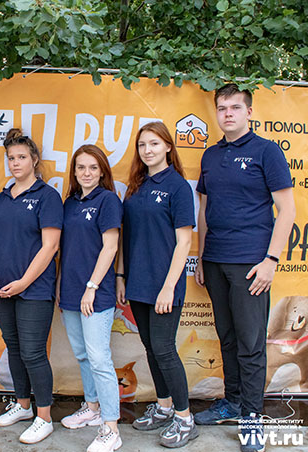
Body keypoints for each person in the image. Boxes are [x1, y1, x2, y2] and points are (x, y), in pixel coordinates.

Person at [194, 84, 295, 452]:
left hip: (252, 264)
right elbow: (204, 210)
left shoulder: (267, 151)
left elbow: (288, 210)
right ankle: (233, 402)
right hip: (215, 260)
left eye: (235, 108)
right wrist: (202, 256)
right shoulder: (210, 155)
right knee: (227, 337)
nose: (228, 114)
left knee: (251, 344)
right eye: (222, 108)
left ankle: (252, 417)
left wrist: (271, 260)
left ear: (249, 112)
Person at [116, 121, 198, 448]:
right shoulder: (136, 186)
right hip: (138, 281)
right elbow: (126, 237)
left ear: (167, 147)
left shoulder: (178, 187)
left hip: (165, 284)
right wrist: (122, 276)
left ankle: (185, 419)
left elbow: (184, 243)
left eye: (153, 143)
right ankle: (164, 407)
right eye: (142, 145)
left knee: (164, 349)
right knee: (151, 347)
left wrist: (168, 287)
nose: (147, 150)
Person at [0, 128, 63, 445]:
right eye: (11, 158)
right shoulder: (2, 198)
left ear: (34, 160)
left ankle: (44, 418)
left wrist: (23, 282)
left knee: (33, 352)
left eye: (21, 157)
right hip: (1, 289)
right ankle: (23, 405)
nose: (15, 163)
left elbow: (50, 246)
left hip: (34, 291)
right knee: (14, 348)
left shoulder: (47, 197)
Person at [58, 145, 123, 452]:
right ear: (74, 171)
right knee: (83, 355)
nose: (87, 173)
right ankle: (93, 408)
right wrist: (64, 286)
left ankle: (111, 427)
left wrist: (92, 286)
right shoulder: (69, 203)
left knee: (99, 358)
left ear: (102, 172)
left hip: (95, 292)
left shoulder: (108, 200)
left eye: (93, 167)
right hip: (70, 291)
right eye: (81, 167)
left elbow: (110, 247)